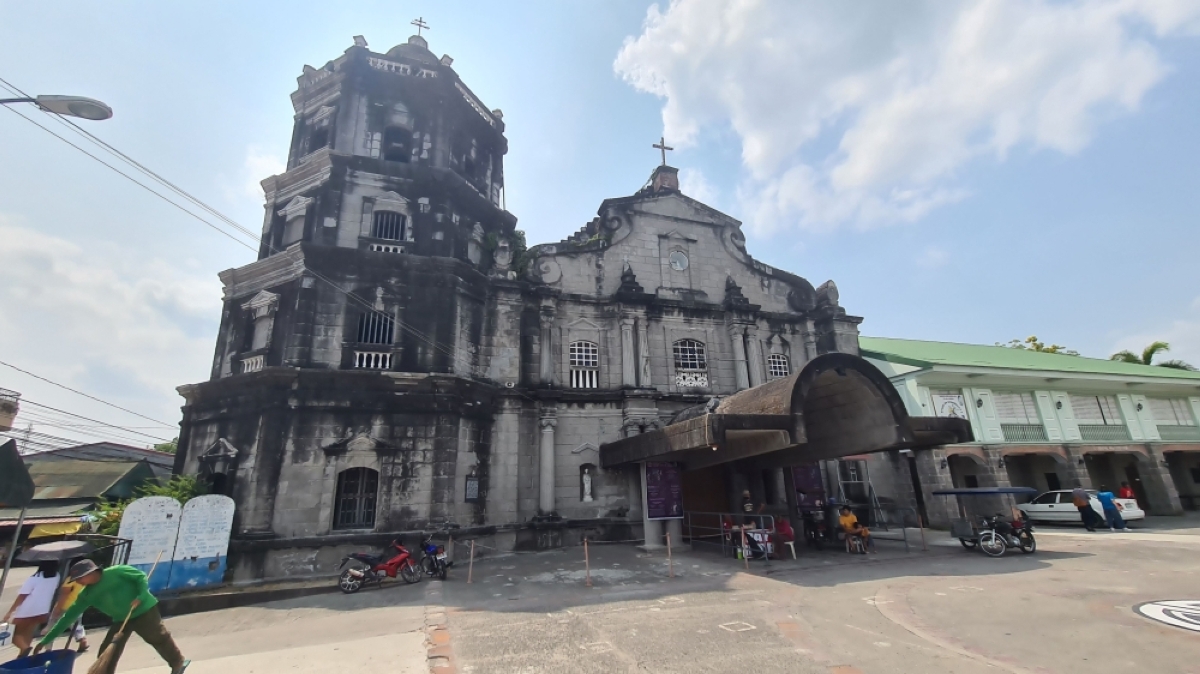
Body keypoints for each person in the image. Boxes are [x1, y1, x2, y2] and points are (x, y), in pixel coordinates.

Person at [36, 559, 189, 674]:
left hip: (143, 610)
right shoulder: (86, 594)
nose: (79, 582)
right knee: (108, 649)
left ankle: (177, 663)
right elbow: (68, 617)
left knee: (157, 637)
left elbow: (140, 577)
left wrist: (141, 595)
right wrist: (47, 639)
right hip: (121, 619)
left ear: (91, 573)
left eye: (80, 578)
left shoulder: (116, 572)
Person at [3, 561, 59, 657]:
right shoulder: (57, 576)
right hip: (42, 611)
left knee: (12, 635)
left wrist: (10, 611)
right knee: (28, 633)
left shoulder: (35, 578)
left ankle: (24, 648)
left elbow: (22, 596)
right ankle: (22, 656)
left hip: (26, 611)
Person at [50, 572, 90, 654]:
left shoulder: (71, 579)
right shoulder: (86, 578)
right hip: (79, 604)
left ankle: (47, 647)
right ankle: (82, 639)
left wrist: (58, 608)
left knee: (52, 625)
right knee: (77, 624)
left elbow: (64, 594)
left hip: (66, 606)